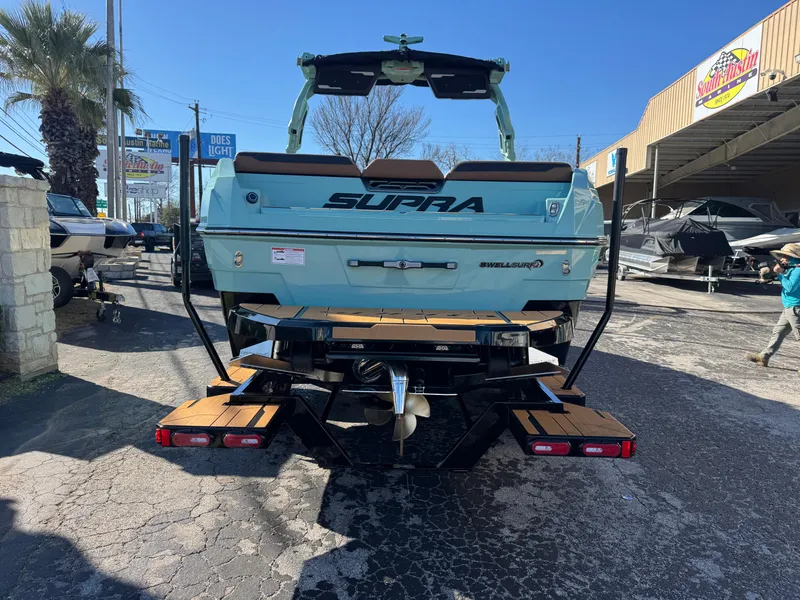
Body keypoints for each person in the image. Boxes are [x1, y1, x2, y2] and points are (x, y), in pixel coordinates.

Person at [746, 243, 800, 371]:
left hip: (795, 308)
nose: (782, 258)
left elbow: (790, 287)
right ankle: (764, 356)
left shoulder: (798, 270)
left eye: (785, 256)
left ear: (792, 258)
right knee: (778, 332)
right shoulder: (793, 268)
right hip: (789, 308)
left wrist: (780, 274)